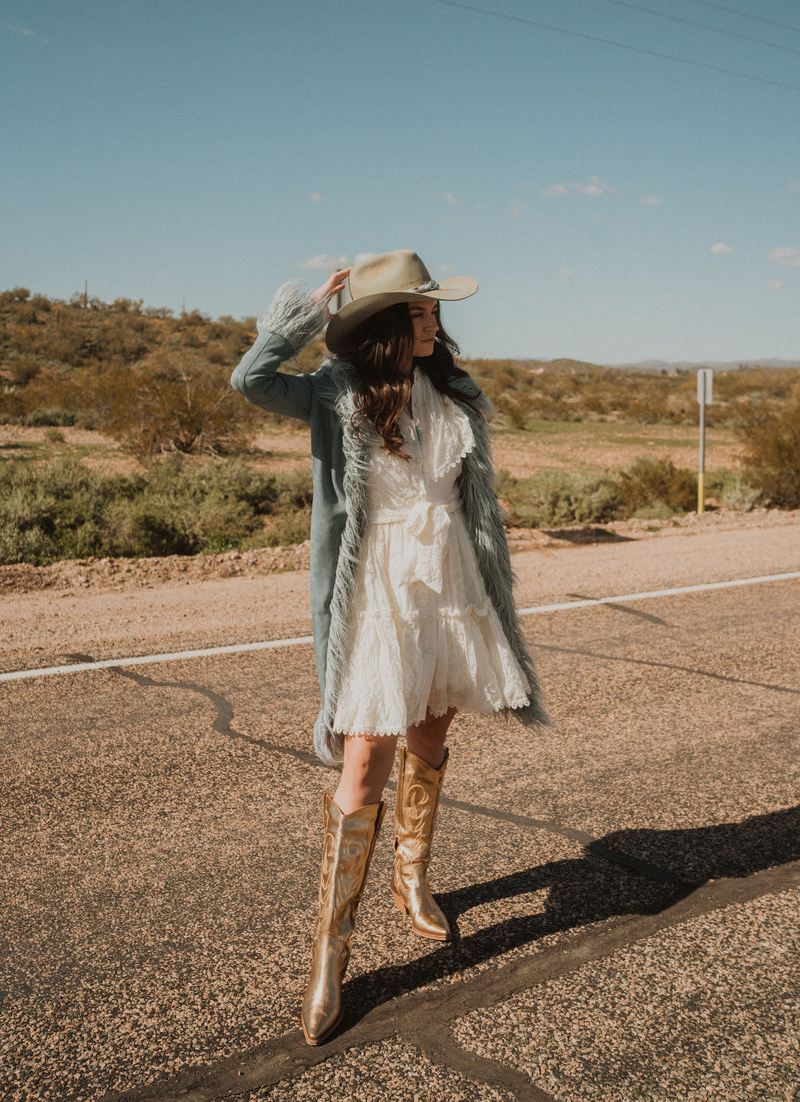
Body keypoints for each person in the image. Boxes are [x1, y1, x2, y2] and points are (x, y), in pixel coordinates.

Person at [230, 249, 547, 1046]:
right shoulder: (336, 393)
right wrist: (308, 311)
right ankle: (330, 957)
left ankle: (413, 881)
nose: (436, 323)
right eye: (421, 312)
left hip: (452, 581)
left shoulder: (455, 392)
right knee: (363, 761)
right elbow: (251, 381)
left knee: (433, 730)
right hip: (376, 589)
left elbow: (466, 498)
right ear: (383, 326)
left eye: (436, 311)